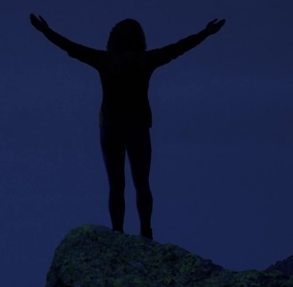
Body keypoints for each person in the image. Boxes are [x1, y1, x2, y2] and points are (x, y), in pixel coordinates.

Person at [30, 13, 225, 240]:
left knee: (116, 184)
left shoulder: (105, 60)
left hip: (110, 126)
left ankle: (118, 232)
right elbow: (179, 48)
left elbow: (72, 48)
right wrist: (205, 33)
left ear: (113, 39)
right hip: (138, 127)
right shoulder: (146, 60)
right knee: (142, 183)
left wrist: (46, 31)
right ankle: (146, 231)